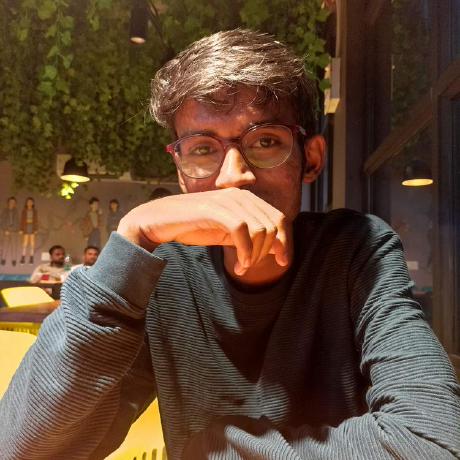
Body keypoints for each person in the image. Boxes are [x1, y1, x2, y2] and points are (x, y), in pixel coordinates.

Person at [1, 29, 459, 460]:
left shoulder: (357, 249)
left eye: (265, 141)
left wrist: (213, 448)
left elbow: (435, 441)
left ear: (311, 160)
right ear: (181, 172)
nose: (233, 176)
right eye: (203, 149)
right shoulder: (162, 276)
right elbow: (21, 448)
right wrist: (134, 232)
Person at [0, 196, 20, 266]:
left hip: (14, 231)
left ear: (15, 204)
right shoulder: (4, 211)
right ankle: (3, 259)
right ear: (8, 202)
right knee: (5, 245)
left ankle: (14, 260)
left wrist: (15, 229)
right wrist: (5, 230)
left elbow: (17, 222)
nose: (12, 203)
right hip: (6, 231)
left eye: (13, 202)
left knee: (14, 246)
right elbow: (1, 221)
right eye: (11, 202)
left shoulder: (16, 211)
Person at [20, 197, 39, 265]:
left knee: (32, 244)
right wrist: (21, 229)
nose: (29, 203)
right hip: (26, 228)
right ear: (26, 203)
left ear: (33, 203)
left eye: (31, 202)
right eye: (28, 202)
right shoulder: (24, 211)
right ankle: (23, 257)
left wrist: (36, 229)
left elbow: (36, 221)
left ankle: (31, 257)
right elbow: (22, 220)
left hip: (32, 228)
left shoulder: (35, 211)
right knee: (24, 243)